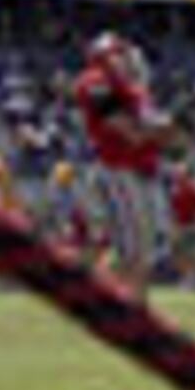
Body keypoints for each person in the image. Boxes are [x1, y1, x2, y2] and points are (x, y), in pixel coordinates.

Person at [71, 29, 173, 286]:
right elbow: (128, 131)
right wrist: (163, 129)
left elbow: (159, 137)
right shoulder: (96, 80)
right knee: (132, 249)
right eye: (122, 55)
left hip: (140, 169)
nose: (131, 60)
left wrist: (165, 130)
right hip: (118, 168)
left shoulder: (133, 89)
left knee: (141, 248)